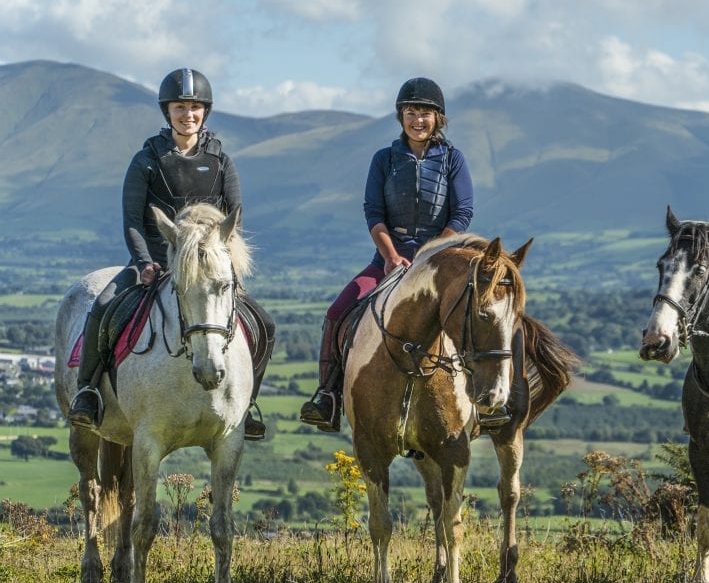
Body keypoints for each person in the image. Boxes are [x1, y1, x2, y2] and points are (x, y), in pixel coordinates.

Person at [67, 68, 275, 440]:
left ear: (204, 112)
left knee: (265, 325)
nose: (188, 114)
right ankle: (87, 392)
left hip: (206, 270)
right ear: (168, 112)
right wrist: (145, 263)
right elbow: (132, 220)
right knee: (103, 306)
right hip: (154, 264)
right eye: (180, 107)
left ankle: (248, 404)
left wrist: (223, 267)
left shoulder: (221, 162)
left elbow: (233, 222)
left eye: (195, 107)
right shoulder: (146, 160)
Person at [300, 77, 474, 432]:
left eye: (425, 112)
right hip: (388, 259)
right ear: (401, 116)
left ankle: (486, 399)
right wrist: (392, 257)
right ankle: (328, 396)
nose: (418, 119)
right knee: (337, 313)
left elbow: (462, 213)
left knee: (478, 314)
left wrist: (430, 255)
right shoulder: (384, 159)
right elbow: (374, 213)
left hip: (438, 261)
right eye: (411, 112)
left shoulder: (453, 160)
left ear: (437, 118)